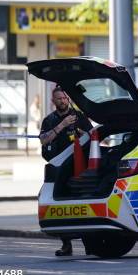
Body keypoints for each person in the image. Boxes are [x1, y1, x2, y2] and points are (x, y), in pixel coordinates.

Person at [40, 86, 93, 256]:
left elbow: (95, 135)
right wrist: (62, 125)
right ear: (53, 101)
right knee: (60, 204)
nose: (62, 101)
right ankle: (66, 245)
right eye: (59, 99)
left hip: (78, 166)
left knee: (83, 205)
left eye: (64, 98)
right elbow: (44, 140)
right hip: (58, 166)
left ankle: (89, 245)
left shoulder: (79, 117)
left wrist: (82, 133)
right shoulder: (49, 120)